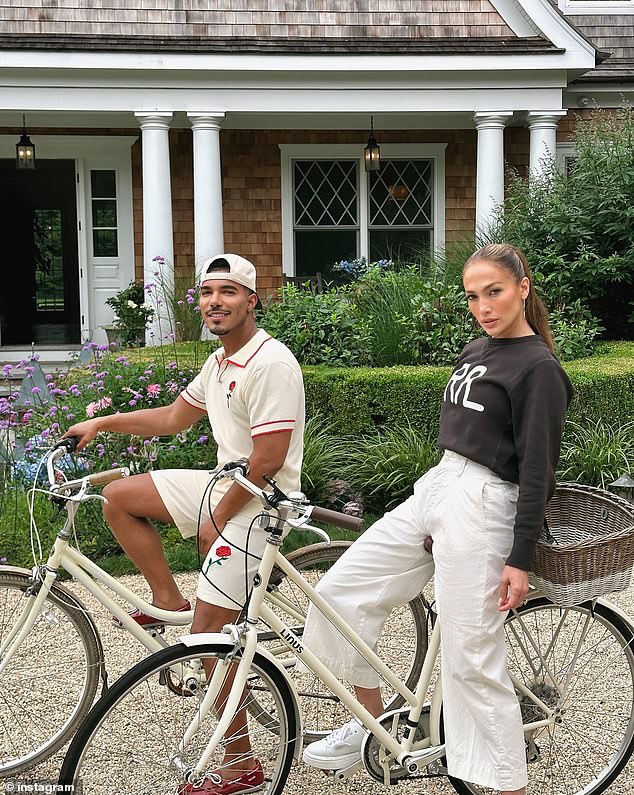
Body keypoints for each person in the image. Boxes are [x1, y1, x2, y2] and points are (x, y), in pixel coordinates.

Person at [301, 243, 573, 795]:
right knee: (339, 594)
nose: (484, 306)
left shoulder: (539, 369)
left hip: (485, 501)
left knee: (470, 660)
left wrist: (519, 558)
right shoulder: (478, 349)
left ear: (522, 287)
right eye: (473, 296)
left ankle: (507, 785)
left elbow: (539, 471)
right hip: (440, 484)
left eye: (494, 291)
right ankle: (368, 725)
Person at [64, 253, 305, 795]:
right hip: (225, 482)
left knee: (208, 642)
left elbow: (267, 460)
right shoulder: (220, 361)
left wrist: (216, 522)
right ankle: (169, 600)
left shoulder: (271, 363)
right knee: (118, 498)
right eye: (206, 293)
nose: (214, 302)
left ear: (252, 300)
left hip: (262, 502)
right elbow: (173, 418)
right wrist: (101, 422)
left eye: (227, 292)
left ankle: (241, 766)